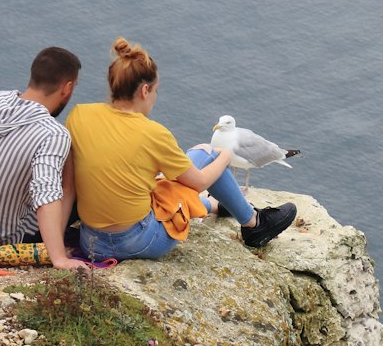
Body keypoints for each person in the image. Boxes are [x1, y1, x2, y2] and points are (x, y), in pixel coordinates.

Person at [66, 37, 296, 262]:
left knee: (169, 173)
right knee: (208, 155)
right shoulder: (152, 133)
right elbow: (199, 182)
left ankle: (215, 206)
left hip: (91, 241)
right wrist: (224, 156)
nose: (155, 97)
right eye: (156, 91)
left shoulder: (79, 116)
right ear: (145, 90)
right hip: (140, 241)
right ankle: (254, 223)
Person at [0, 46, 88, 272]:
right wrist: (59, 258)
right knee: (79, 180)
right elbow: (46, 194)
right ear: (67, 88)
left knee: (63, 158)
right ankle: (54, 247)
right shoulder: (52, 134)